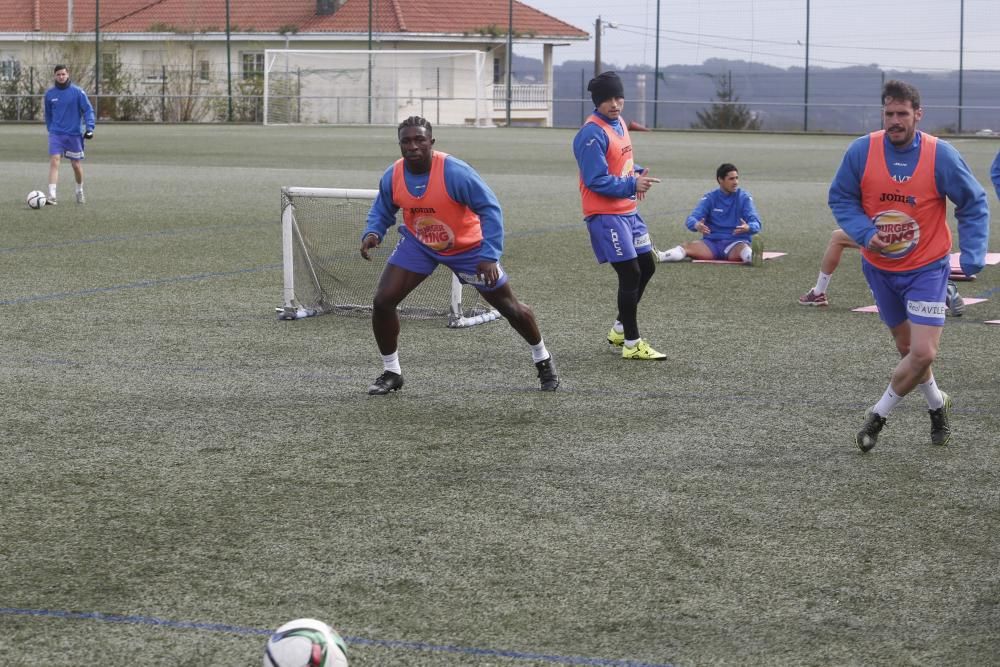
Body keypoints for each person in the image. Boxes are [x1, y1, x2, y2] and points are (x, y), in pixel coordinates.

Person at [828, 79, 990, 453]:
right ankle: (937, 403)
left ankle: (877, 417)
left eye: (903, 113)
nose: (895, 120)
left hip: (927, 269)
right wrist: (866, 233)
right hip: (880, 269)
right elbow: (841, 197)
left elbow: (973, 202)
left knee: (924, 353)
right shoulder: (861, 151)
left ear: (918, 114)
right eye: (889, 113)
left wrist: (972, 254)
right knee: (907, 349)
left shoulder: (940, 155)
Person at [360, 116, 559, 395]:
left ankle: (543, 359)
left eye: (419, 139)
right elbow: (383, 208)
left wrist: (489, 255)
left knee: (510, 308)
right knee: (383, 301)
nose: (413, 146)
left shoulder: (455, 172)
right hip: (420, 244)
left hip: (468, 250)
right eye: (406, 140)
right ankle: (392, 372)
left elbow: (490, 209)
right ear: (400, 144)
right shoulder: (393, 175)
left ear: (431, 142)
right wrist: (373, 232)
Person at [573, 71, 666, 361]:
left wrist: (634, 172)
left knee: (646, 266)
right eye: (607, 99)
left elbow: (618, 162)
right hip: (606, 215)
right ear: (597, 102)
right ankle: (631, 344)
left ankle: (619, 327)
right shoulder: (591, 134)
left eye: (618, 97)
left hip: (628, 211)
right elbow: (595, 179)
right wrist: (630, 184)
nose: (614, 103)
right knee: (630, 274)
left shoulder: (620, 123)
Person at [798, 228, 966, 316]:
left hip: (895, 232)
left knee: (838, 237)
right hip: (923, 235)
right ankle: (940, 288)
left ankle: (818, 292)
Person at [656, 163, 764, 266]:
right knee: (686, 247)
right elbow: (691, 219)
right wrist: (696, 225)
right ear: (720, 180)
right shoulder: (710, 198)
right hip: (711, 245)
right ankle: (660, 256)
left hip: (735, 243)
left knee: (743, 249)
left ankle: (752, 257)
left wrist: (749, 227)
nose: (735, 182)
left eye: (737, 178)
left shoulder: (744, 198)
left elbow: (756, 223)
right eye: (731, 179)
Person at [44, 64, 95, 205]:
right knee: (54, 160)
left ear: (68, 75)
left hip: (73, 134)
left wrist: (89, 128)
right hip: (56, 133)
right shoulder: (49, 94)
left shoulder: (78, 92)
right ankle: (52, 195)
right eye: (58, 74)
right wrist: (51, 128)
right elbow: (48, 114)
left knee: (76, 165)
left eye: (63, 74)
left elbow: (88, 111)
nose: (61, 77)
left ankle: (79, 190)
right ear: (54, 76)